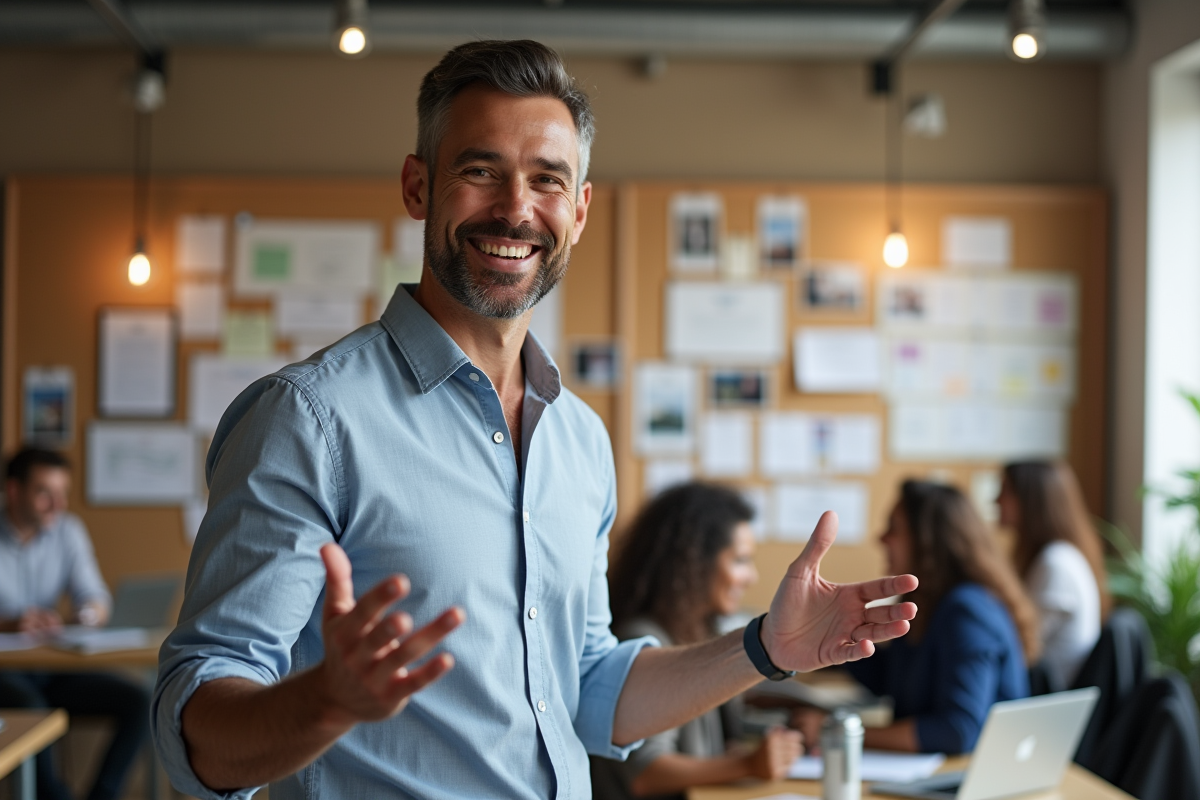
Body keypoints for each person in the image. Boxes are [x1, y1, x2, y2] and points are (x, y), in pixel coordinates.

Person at [151, 40, 918, 800]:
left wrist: (765, 648)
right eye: (480, 171)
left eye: (547, 179)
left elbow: (587, 692)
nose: (516, 210)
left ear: (578, 211)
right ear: (418, 187)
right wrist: (324, 702)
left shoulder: (577, 438)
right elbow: (194, 734)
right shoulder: (309, 421)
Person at [590, 483, 802, 799]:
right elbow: (645, 773)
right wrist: (747, 765)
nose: (751, 577)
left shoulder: (696, 629)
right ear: (694, 562)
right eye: (740, 560)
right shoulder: (644, 639)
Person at [794, 481, 1037, 755]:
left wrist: (835, 730)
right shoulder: (924, 601)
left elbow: (957, 731)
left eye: (893, 529)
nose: (881, 539)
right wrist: (834, 636)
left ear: (927, 540)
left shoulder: (966, 610)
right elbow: (890, 679)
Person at [0, 447, 150, 800]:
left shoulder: (68, 531)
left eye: (62, 493)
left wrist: (82, 617)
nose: (58, 505)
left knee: (140, 700)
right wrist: (9, 622)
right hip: (6, 672)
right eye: (44, 493)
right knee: (32, 710)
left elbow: (96, 599)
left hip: (54, 668)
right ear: (14, 490)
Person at [998, 461, 1107, 690]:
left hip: (1051, 696)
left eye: (1005, 491)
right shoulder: (1056, 556)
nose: (996, 500)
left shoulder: (1055, 564)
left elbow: (1023, 646)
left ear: (1031, 501)